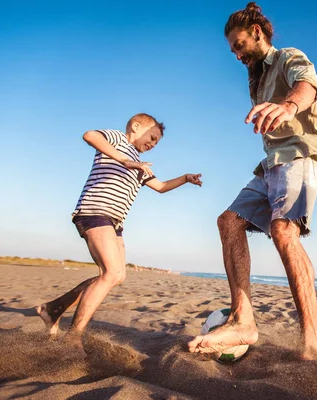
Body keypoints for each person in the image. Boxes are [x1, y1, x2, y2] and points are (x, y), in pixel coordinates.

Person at [188, 2, 317, 360]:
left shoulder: (288, 57)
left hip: (300, 154)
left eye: (239, 46)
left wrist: (287, 107)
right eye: (232, 49)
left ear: (257, 33)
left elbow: (306, 86)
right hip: (271, 165)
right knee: (228, 222)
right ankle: (243, 320)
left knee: (284, 232)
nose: (236, 54)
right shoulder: (255, 80)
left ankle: (311, 340)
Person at [36, 113, 202, 353]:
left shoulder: (141, 164)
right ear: (136, 127)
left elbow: (161, 187)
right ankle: (73, 337)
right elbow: (90, 135)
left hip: (115, 221)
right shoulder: (117, 140)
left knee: (117, 275)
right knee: (110, 273)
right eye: (152, 137)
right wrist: (124, 160)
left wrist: (185, 178)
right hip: (95, 210)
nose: (153, 144)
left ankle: (53, 309)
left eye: (157, 142)